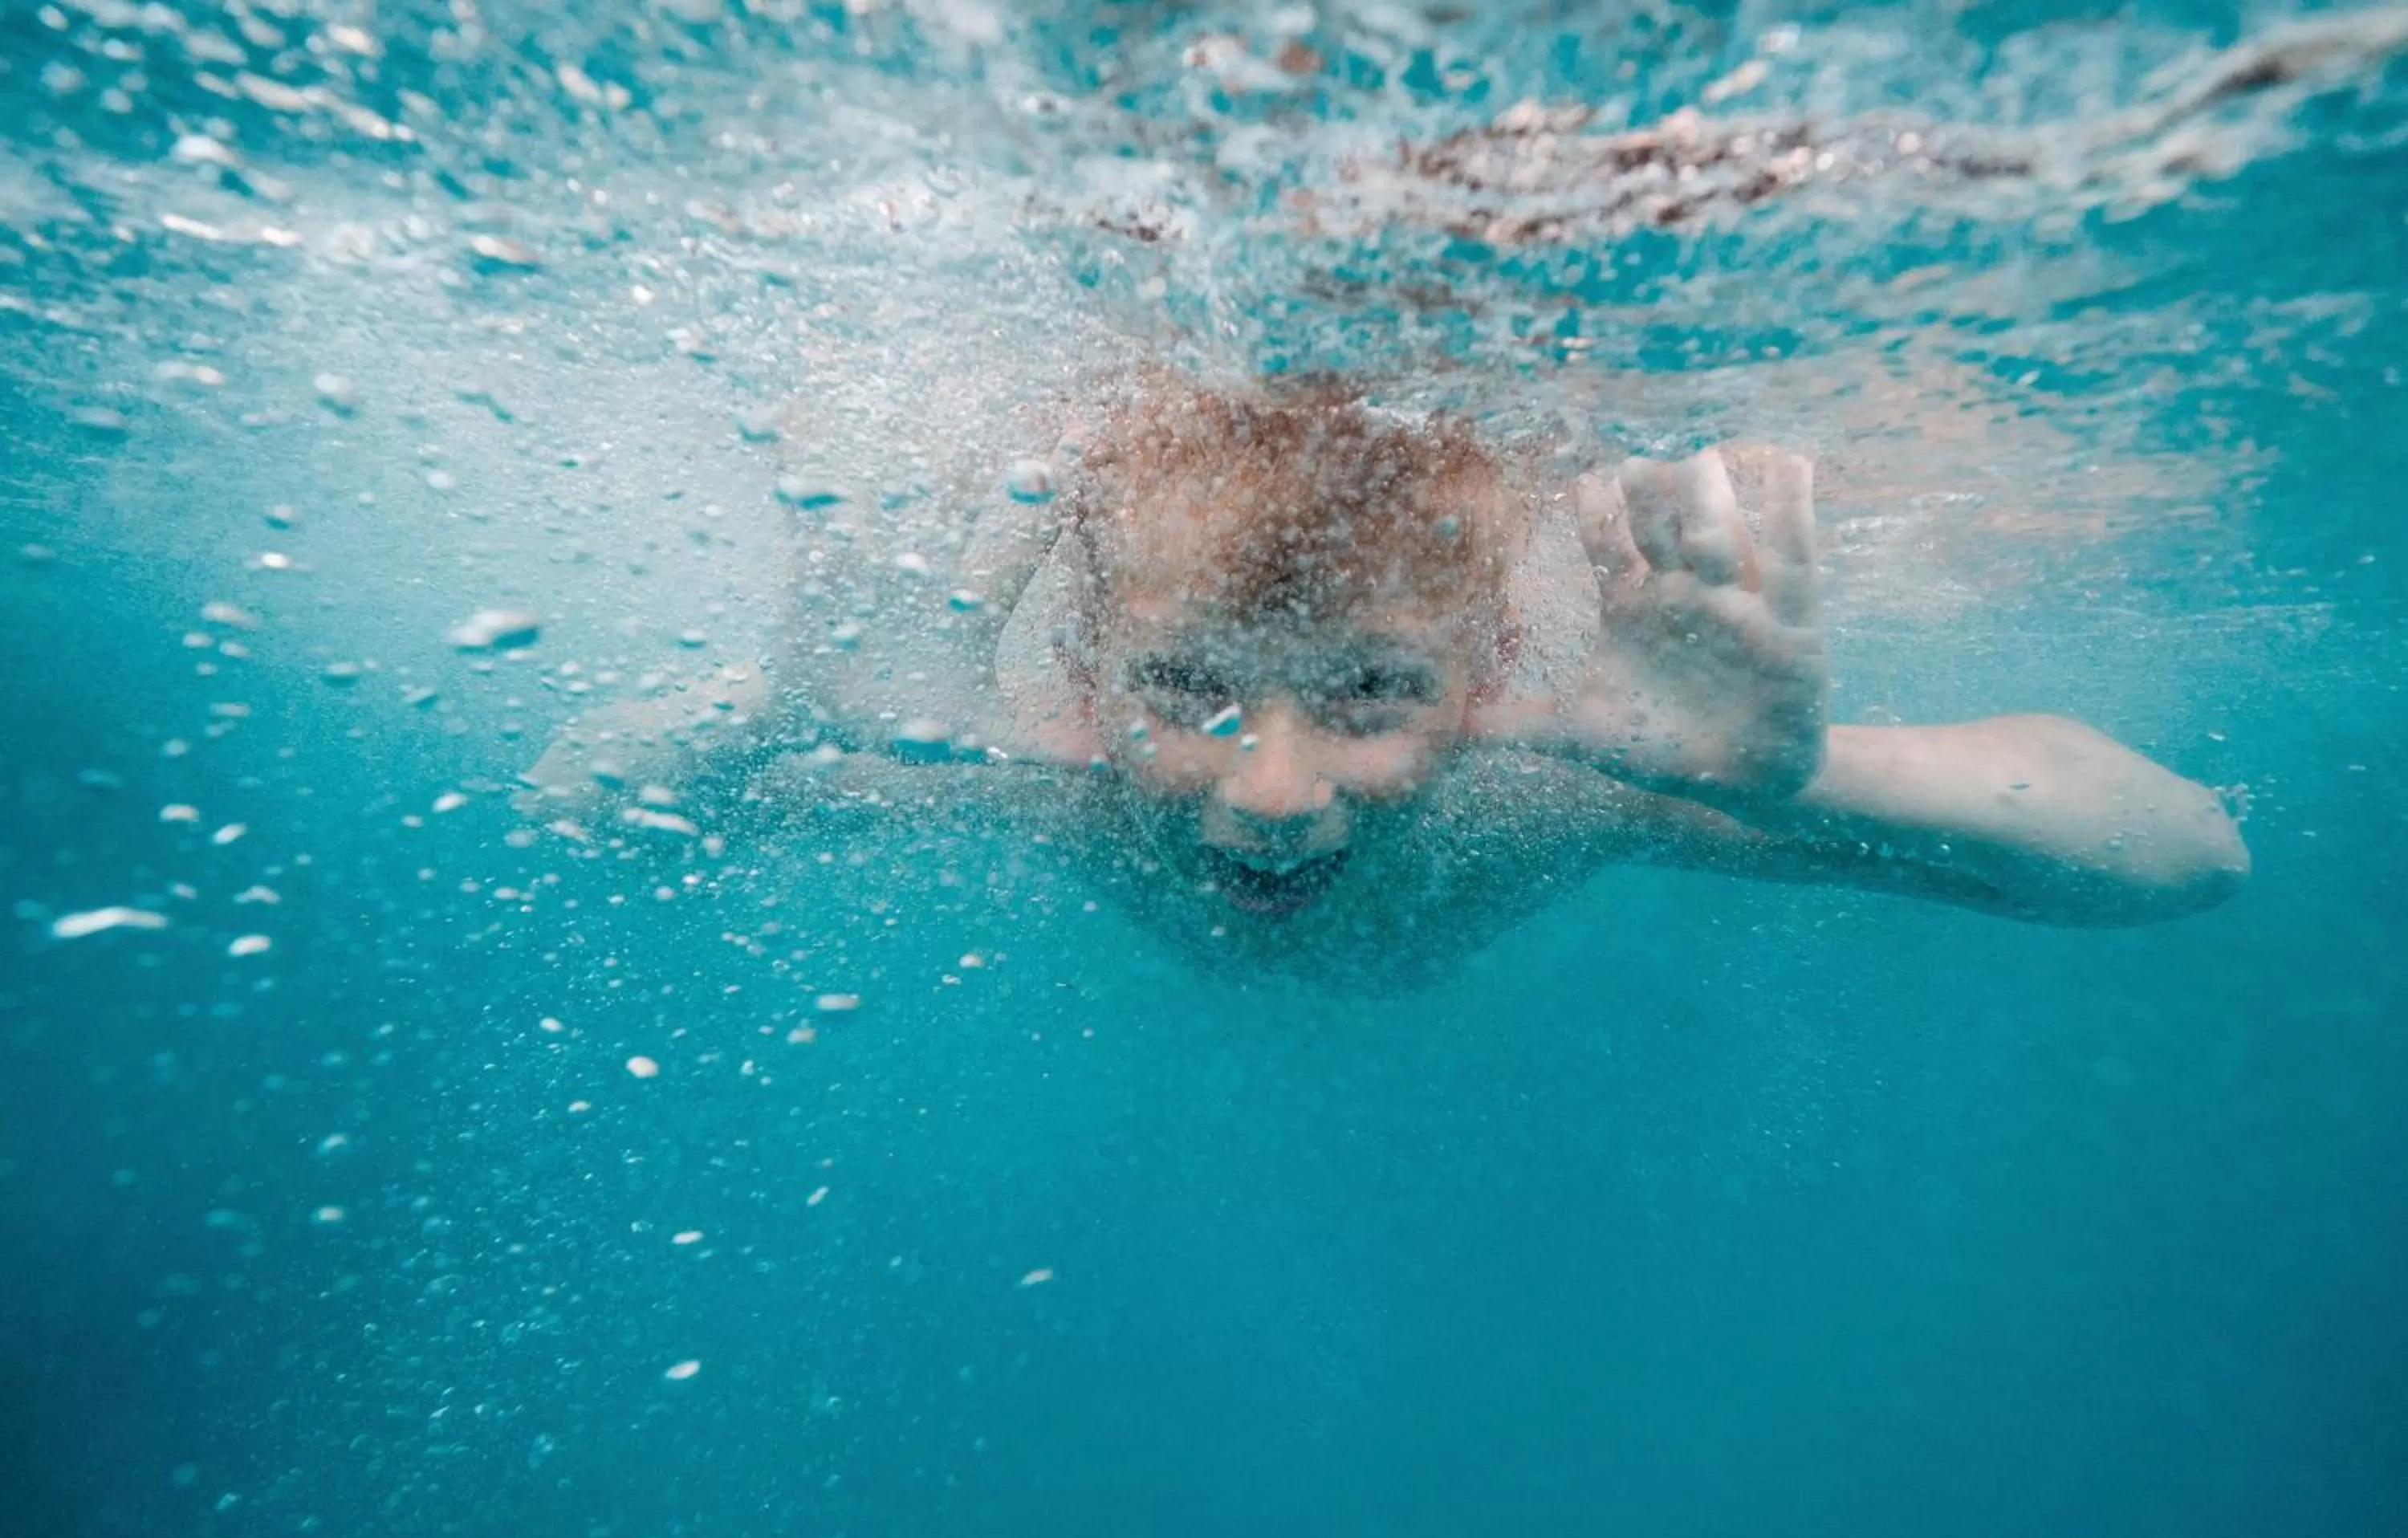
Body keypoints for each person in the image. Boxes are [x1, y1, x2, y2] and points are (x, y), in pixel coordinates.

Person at [521, 375, 2248, 985]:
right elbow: (577, 810)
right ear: (1079, 666)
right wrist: (786, 715)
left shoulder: (1554, 799)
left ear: (1497, 669)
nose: (1274, 792)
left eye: (1367, 698)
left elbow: (2182, 856)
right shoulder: (1023, 756)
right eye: (1189, 689)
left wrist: (1786, 774)